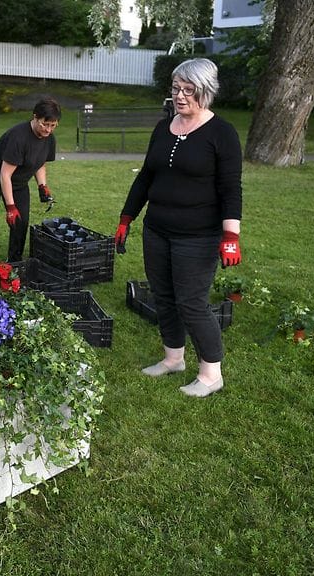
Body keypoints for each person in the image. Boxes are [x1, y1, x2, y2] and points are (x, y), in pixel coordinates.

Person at [114, 58, 243, 398]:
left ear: (206, 91)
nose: (180, 96)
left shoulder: (222, 133)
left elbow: (231, 189)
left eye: (189, 90)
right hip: (158, 229)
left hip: (198, 235)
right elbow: (146, 177)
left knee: (192, 302)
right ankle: (173, 359)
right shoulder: (164, 127)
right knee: (164, 296)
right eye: (176, 89)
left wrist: (231, 236)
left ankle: (211, 374)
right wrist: (127, 218)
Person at [0, 98, 60, 262]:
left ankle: (15, 261)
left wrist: (43, 186)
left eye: (53, 125)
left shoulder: (49, 139)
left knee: (21, 221)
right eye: (45, 124)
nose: (48, 129)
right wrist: (10, 206)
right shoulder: (19, 137)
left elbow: (40, 163)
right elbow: (5, 174)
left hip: (18, 182)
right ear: (35, 117)